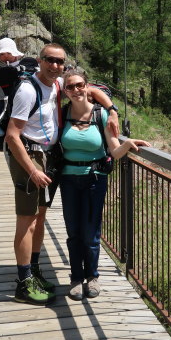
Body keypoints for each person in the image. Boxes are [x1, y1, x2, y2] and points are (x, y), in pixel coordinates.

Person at [5, 43, 120, 305]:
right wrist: (32, 169)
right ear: (39, 60)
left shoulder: (57, 85)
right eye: (50, 60)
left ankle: (33, 271)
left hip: (49, 156)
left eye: (60, 62)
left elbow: (90, 89)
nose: (55, 66)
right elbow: (12, 136)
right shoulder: (27, 90)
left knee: (40, 215)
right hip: (29, 156)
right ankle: (23, 282)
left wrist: (112, 110)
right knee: (27, 219)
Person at [60, 69, 150, 301]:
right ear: (65, 91)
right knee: (73, 233)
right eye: (70, 87)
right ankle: (76, 279)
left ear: (87, 87)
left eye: (80, 85)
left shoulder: (101, 115)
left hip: (95, 178)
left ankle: (92, 277)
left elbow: (114, 151)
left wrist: (127, 143)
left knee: (90, 233)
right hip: (68, 179)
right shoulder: (62, 113)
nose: (76, 90)